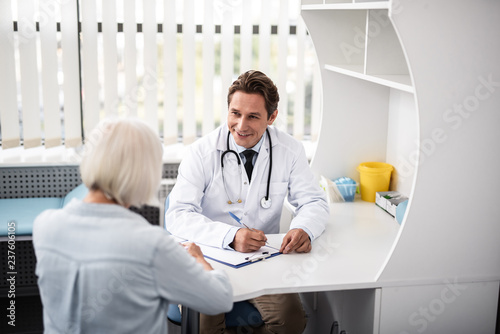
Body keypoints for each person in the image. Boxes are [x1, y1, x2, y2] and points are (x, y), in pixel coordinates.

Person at [165, 70, 330, 334]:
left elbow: (313, 202)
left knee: (291, 320)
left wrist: (304, 229)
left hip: (260, 260)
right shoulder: (201, 152)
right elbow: (178, 215)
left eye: (253, 116)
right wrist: (231, 236)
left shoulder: (289, 150)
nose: (241, 126)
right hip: (207, 255)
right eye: (235, 113)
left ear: (272, 117)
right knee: (206, 321)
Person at [33, 118, 233, 333]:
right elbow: (219, 299)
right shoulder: (151, 244)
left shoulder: (45, 226)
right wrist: (199, 260)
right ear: (144, 173)